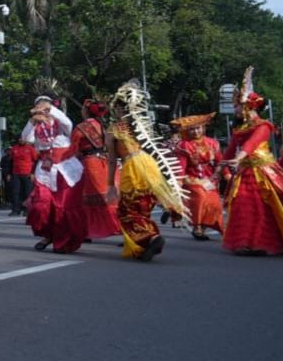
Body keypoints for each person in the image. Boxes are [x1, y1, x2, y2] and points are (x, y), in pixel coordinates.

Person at [105, 84, 187, 262]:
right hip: (150, 166)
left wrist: (110, 184)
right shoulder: (142, 126)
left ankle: (151, 238)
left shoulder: (114, 129)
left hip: (133, 167)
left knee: (127, 211)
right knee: (143, 206)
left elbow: (112, 160)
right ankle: (144, 246)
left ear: (119, 109)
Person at [221, 68, 283, 255]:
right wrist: (218, 172)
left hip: (264, 172)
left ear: (248, 106)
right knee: (243, 205)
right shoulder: (239, 129)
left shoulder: (264, 126)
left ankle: (260, 242)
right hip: (245, 172)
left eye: (237, 106)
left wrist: (239, 158)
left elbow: (252, 144)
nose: (235, 109)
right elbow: (229, 151)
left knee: (265, 206)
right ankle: (246, 242)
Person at [22, 97, 87, 254]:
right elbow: (26, 138)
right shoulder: (36, 126)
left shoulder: (61, 125)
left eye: (45, 107)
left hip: (65, 168)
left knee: (63, 206)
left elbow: (68, 123)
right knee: (41, 204)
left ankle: (62, 240)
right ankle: (48, 234)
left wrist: (50, 110)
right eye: (38, 107)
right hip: (45, 169)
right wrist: (32, 121)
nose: (42, 110)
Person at [72, 98, 122, 240]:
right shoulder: (106, 126)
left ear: (86, 111)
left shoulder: (82, 127)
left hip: (91, 163)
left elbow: (73, 149)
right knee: (111, 196)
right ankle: (123, 227)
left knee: (88, 198)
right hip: (107, 162)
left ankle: (89, 229)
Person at [170, 112, 224, 240]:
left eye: (198, 128)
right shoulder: (184, 146)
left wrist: (225, 175)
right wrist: (178, 182)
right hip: (191, 179)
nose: (195, 131)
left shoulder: (212, 143)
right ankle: (197, 226)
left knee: (215, 201)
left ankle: (204, 227)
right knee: (200, 195)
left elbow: (220, 161)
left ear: (203, 128)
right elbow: (181, 166)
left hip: (210, 179)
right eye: (192, 129)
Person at [8, 136, 36, 215]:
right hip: (16, 173)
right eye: (20, 138)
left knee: (27, 192)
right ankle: (15, 210)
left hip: (27, 173)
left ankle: (27, 210)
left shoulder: (30, 148)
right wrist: (9, 174)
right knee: (15, 192)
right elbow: (11, 162)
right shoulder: (14, 148)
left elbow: (35, 161)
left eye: (23, 138)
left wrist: (33, 173)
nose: (21, 140)